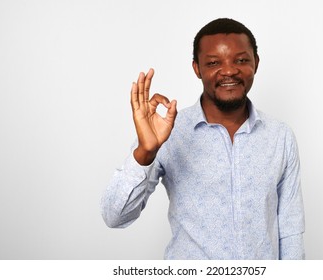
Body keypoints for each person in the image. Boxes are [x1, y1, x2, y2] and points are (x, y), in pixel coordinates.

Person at [101, 18, 305, 260]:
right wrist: (145, 152)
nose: (229, 70)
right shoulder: (169, 132)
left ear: (256, 63)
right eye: (213, 62)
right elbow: (115, 216)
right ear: (197, 68)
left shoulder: (280, 136)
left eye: (241, 60)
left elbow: (290, 231)